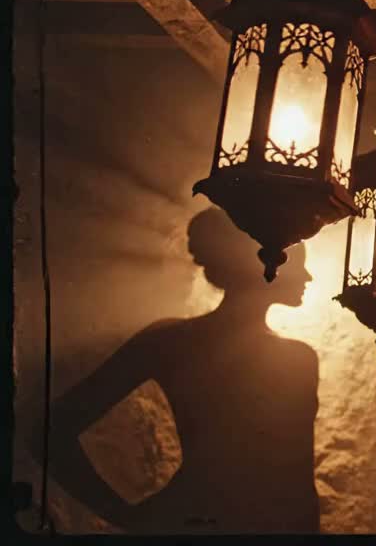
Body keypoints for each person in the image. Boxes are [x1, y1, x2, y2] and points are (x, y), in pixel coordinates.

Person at [41, 207, 321, 533]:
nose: (308, 277)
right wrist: (124, 516)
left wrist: (125, 516)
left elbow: (49, 430)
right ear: (261, 265)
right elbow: (297, 487)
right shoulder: (296, 359)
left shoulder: (169, 340)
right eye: (296, 263)